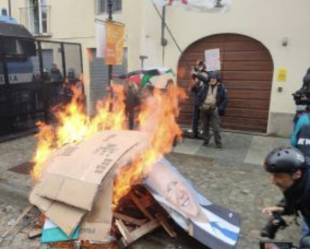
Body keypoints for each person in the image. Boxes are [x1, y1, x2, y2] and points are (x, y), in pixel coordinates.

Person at [144, 158, 240, 249]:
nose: (180, 194)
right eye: (169, 190)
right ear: (166, 200)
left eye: (175, 183)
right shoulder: (196, 231)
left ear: (183, 182)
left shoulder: (220, 213)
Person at [262, 147, 310, 249]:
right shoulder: (300, 181)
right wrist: (283, 207)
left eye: (278, 176)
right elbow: (295, 194)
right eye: (273, 175)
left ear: (297, 174)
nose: (273, 181)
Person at [197, 70, 228, 149]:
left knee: (216, 128)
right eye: (211, 78)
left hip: (214, 109)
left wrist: (219, 108)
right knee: (204, 126)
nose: (212, 79)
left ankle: (218, 143)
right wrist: (199, 105)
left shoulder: (221, 87)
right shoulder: (205, 85)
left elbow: (225, 99)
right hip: (204, 108)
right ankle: (205, 141)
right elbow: (199, 95)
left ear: (217, 79)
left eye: (214, 78)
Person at [190, 60, 209, 139]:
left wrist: (196, 73)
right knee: (195, 117)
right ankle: (194, 132)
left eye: (200, 65)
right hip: (197, 99)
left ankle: (204, 133)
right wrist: (193, 73)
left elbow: (205, 79)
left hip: (204, 100)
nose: (198, 66)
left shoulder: (206, 74)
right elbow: (194, 86)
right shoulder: (197, 75)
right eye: (198, 65)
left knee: (204, 118)